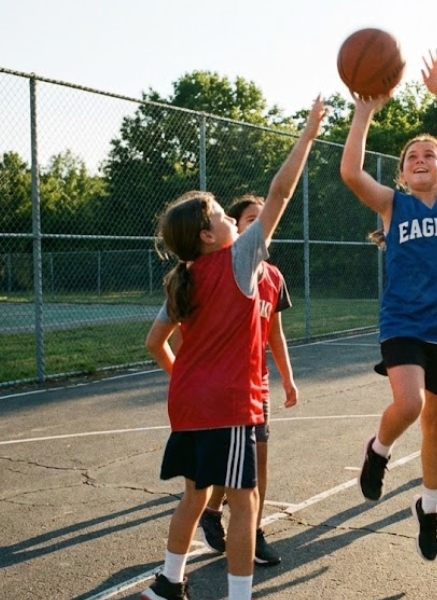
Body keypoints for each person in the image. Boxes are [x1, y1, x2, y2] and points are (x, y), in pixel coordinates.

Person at [141, 97, 325, 600]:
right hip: (229, 403)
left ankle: (168, 582)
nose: (233, 220)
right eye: (223, 215)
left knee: (195, 495)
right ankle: (239, 595)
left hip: (189, 403)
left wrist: (185, 377)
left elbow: (155, 343)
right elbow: (281, 191)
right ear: (209, 235)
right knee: (246, 502)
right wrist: (307, 135)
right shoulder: (238, 261)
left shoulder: (184, 279)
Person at [340, 51, 437, 562]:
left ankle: (429, 508)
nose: (420, 159)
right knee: (410, 404)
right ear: (401, 175)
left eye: (429, 155)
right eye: (411, 157)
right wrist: (364, 111)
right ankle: (377, 450)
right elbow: (352, 171)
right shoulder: (392, 205)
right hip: (402, 320)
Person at [196, 195, 300, 567]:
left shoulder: (273, 277)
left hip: (257, 385)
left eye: (263, 218)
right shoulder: (223, 270)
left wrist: (287, 378)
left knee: (256, 460)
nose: (260, 224)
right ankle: (210, 511)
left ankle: (253, 533)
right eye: (251, 218)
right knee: (230, 463)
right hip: (222, 385)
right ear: (237, 227)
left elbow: (275, 333)